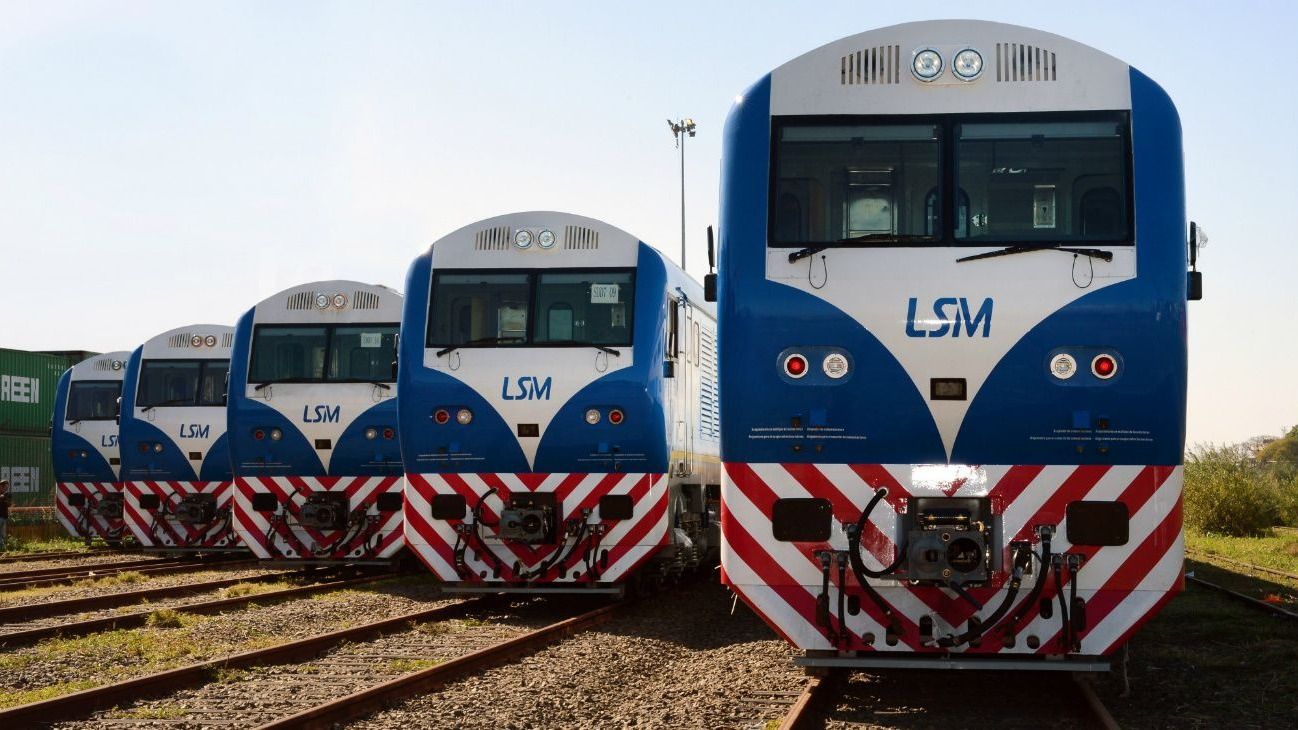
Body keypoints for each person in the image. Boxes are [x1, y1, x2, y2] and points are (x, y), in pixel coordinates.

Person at [0, 479, 11, 550]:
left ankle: (2, 549)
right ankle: (3, 548)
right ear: (1, 486)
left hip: (4, 517)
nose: (6, 488)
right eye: (5, 487)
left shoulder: (7, 494)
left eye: (7, 487)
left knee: (3, 534)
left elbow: (9, 504)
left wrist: (3, 497)